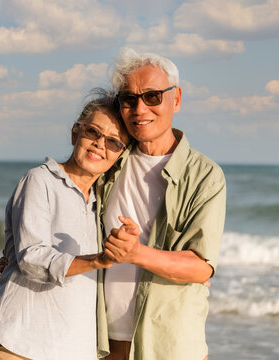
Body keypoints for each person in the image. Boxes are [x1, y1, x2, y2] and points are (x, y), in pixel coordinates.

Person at [0, 89, 133, 360]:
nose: (99, 144)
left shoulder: (101, 204)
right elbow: (31, 258)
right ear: (75, 133)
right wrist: (98, 259)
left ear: (120, 155)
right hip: (21, 342)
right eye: (93, 132)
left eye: (113, 142)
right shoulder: (39, 180)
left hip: (72, 348)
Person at [96, 48, 226, 360]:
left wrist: (136, 253)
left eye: (153, 96)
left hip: (168, 345)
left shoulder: (204, 175)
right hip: (101, 341)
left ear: (176, 99)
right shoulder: (107, 161)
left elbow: (201, 268)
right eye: (129, 99)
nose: (140, 108)